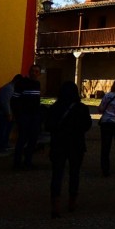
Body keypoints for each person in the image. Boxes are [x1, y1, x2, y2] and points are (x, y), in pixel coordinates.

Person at [44, 81, 92, 218]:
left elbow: (48, 126)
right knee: (74, 173)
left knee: (57, 174)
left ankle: (56, 204)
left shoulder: (55, 107)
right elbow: (87, 125)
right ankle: (72, 201)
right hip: (76, 144)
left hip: (58, 143)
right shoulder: (81, 108)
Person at [12, 64, 43, 169]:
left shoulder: (37, 84)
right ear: (29, 72)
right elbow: (15, 100)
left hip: (34, 116)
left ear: (39, 74)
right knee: (22, 139)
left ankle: (28, 161)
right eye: (32, 71)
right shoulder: (22, 83)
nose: (34, 73)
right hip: (24, 115)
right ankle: (17, 162)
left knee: (33, 139)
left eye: (36, 71)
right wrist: (17, 115)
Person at [0, 74, 21, 152]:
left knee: (7, 126)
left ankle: (4, 144)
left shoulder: (11, 88)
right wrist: (8, 113)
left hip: (1, 111)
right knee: (3, 127)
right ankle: (1, 146)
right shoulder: (9, 88)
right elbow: (5, 102)